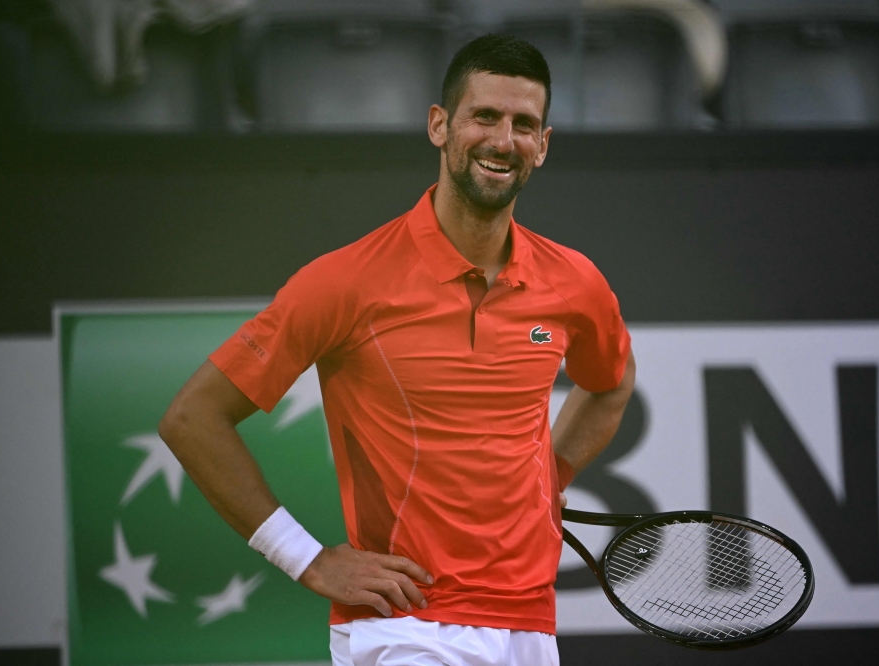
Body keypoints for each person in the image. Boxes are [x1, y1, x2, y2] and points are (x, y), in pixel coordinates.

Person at [159, 34, 635, 666]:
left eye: (524, 124)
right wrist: (306, 559)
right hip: (405, 628)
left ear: (543, 146)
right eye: (484, 117)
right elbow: (193, 419)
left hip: (529, 626)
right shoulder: (347, 280)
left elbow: (610, 383)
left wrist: (553, 473)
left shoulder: (574, 282)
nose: (503, 140)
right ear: (440, 126)